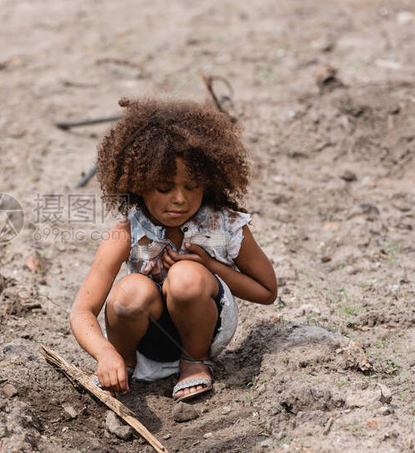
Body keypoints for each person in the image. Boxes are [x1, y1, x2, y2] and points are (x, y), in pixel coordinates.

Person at [70, 97, 277, 403]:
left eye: (191, 187)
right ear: (139, 184)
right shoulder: (127, 233)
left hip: (209, 329)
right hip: (148, 340)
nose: (179, 199)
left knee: (185, 276)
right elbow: (82, 311)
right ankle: (124, 366)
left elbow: (267, 292)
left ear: (208, 182)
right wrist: (105, 353)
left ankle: (194, 362)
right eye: (164, 188)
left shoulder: (224, 226)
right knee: (130, 291)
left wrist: (211, 266)